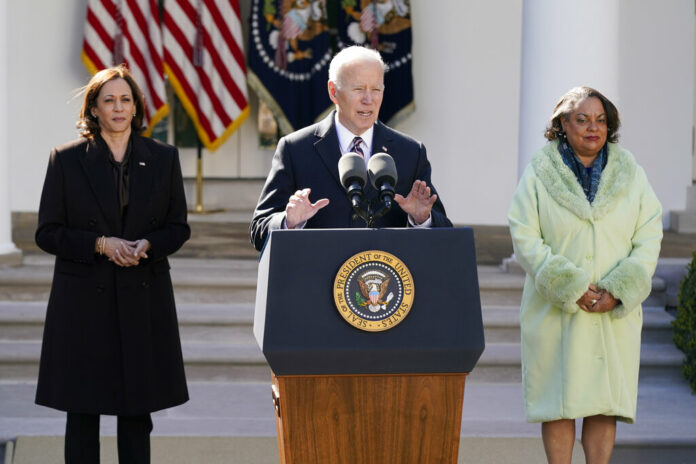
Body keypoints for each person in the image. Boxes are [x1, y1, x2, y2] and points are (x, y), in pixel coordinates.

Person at [35, 65, 190, 464]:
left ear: (137, 107)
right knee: (82, 413)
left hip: (142, 297)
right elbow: (47, 232)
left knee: (137, 414)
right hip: (83, 301)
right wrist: (101, 244)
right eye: (109, 100)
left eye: (126, 100)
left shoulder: (163, 158)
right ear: (94, 109)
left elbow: (179, 228)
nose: (119, 108)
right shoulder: (66, 160)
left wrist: (148, 244)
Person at [508, 86, 663, 463]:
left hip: (612, 312)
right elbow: (524, 234)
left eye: (601, 120)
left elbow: (649, 233)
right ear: (563, 123)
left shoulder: (632, 173)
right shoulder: (539, 173)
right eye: (582, 119)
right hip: (556, 311)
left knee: (603, 403)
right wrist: (567, 284)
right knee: (557, 403)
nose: (593, 128)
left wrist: (621, 287)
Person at [250, 45, 451, 251]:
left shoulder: (410, 152)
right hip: (317, 279)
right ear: (333, 91)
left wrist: (421, 219)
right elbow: (258, 231)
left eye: (376, 89)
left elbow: (444, 234)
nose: (368, 100)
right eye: (358, 89)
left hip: (384, 280)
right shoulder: (295, 149)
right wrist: (289, 222)